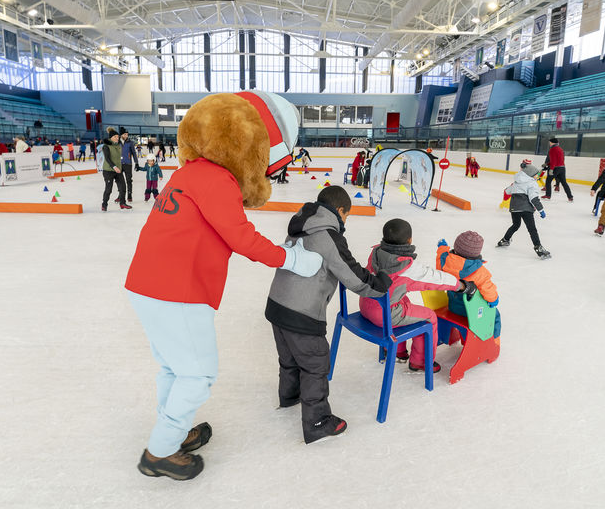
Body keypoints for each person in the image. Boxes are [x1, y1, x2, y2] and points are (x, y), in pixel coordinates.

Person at [125, 90, 319, 480]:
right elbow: (241, 238)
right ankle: (160, 451)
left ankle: (174, 432)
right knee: (198, 374)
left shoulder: (189, 172)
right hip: (176, 290)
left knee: (174, 368)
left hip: (146, 284)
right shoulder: (217, 179)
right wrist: (293, 258)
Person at [265, 186, 391, 444]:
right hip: (302, 312)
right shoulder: (328, 235)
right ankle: (318, 422)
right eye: (347, 216)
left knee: (289, 358)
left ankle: (289, 397)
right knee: (315, 364)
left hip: (277, 304)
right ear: (341, 211)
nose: (345, 222)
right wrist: (380, 285)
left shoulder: (302, 224)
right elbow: (353, 274)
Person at [359, 218, 468, 373]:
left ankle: (397, 351)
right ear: (409, 240)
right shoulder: (406, 267)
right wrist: (460, 285)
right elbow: (434, 278)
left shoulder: (376, 252)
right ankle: (421, 362)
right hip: (384, 315)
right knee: (429, 317)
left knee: (404, 300)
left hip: (366, 304)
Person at [436, 232, 501, 337]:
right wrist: (494, 300)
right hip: (472, 312)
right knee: (495, 315)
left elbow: (440, 256)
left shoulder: (446, 261)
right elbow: (488, 289)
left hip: (452, 306)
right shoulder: (479, 271)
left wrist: (442, 247)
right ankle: (493, 340)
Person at [496, 159, 551, 258]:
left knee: (515, 225)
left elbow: (507, 191)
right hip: (526, 209)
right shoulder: (532, 183)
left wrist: (514, 187)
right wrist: (541, 210)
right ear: (529, 175)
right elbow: (533, 198)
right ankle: (538, 247)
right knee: (532, 229)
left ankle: (504, 240)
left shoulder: (516, 182)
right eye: (535, 174)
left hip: (514, 209)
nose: (537, 176)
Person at [100, 128, 130, 211]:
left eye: (118, 136)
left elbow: (124, 138)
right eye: (115, 136)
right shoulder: (106, 146)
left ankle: (122, 203)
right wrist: (114, 167)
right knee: (108, 188)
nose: (117, 138)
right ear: (111, 137)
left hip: (118, 170)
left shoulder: (118, 145)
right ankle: (104, 204)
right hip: (108, 170)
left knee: (123, 187)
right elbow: (107, 158)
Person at [543, 137, 573, 201]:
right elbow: (558, 160)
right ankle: (570, 197)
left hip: (555, 168)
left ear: (552, 142)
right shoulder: (560, 149)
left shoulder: (552, 149)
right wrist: (547, 164)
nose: (549, 144)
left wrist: (551, 169)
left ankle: (548, 195)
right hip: (562, 168)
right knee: (564, 183)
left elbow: (553, 160)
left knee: (548, 181)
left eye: (550, 142)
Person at [120, 128, 139, 204]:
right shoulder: (117, 142)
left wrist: (136, 162)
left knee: (129, 180)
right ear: (121, 135)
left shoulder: (130, 142)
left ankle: (129, 194)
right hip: (119, 164)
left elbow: (134, 153)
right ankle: (120, 195)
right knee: (120, 182)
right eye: (125, 134)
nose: (126, 136)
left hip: (128, 164)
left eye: (127, 134)